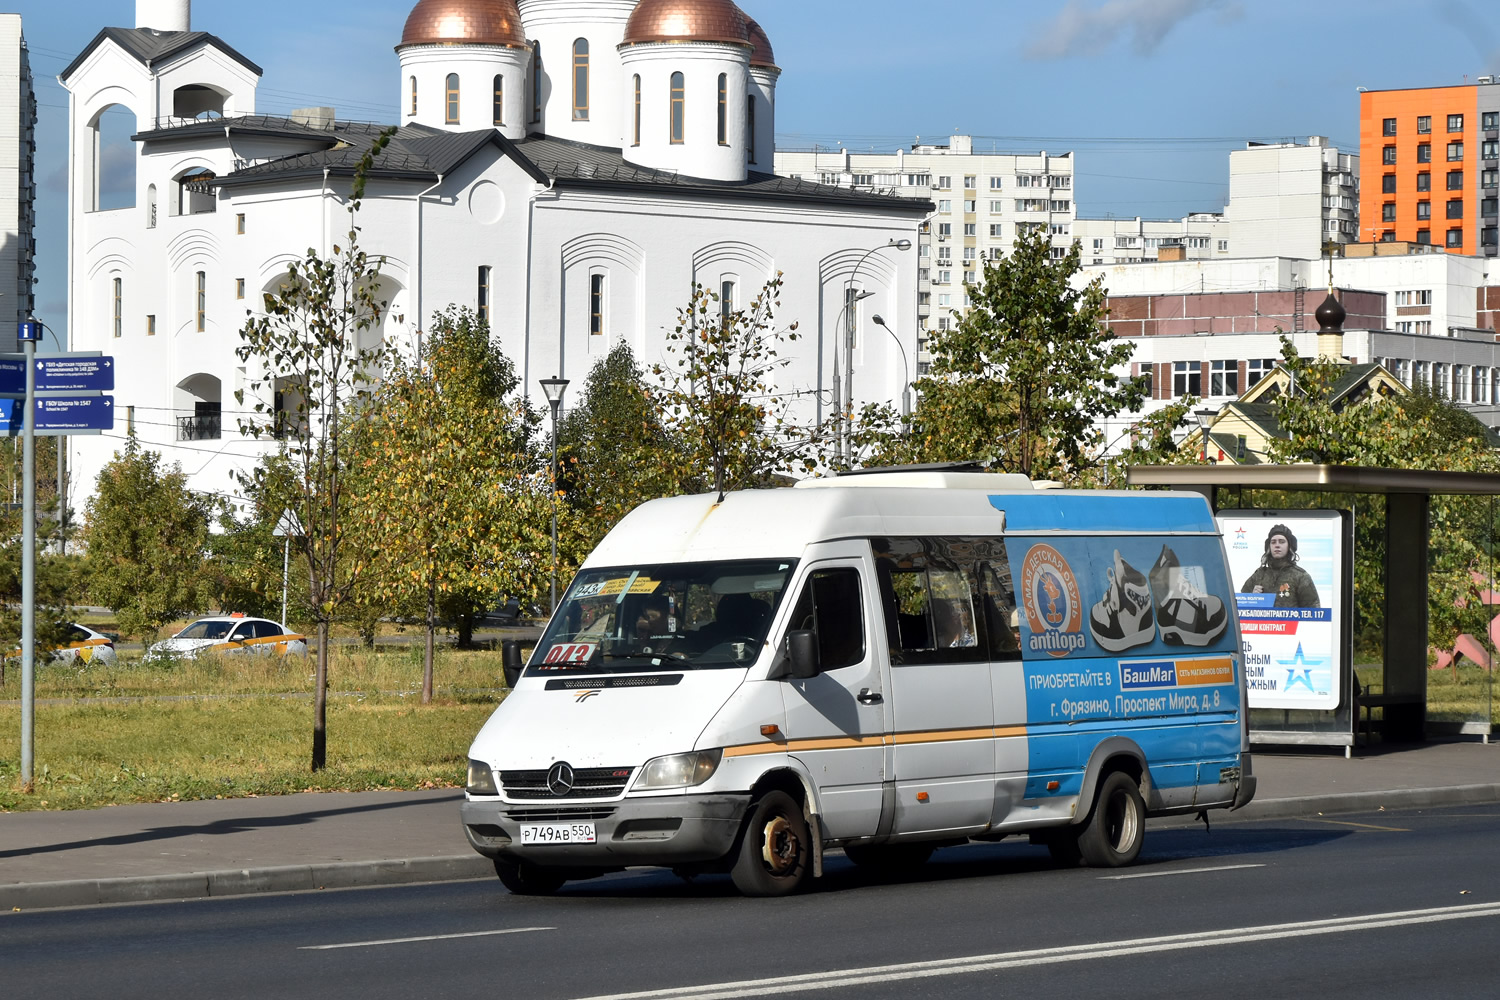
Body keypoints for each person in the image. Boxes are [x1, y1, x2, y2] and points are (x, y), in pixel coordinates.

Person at [1240, 523, 1321, 607]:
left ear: (1289, 546)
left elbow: (1314, 611)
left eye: (1282, 542)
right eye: (1273, 542)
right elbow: (1239, 606)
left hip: (1291, 620)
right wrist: (1251, 598)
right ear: (1269, 547)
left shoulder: (1300, 576)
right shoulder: (1259, 575)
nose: (1277, 545)